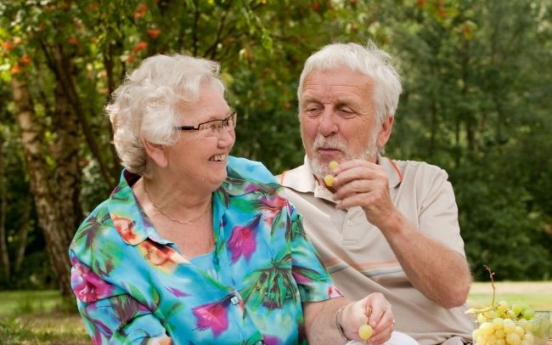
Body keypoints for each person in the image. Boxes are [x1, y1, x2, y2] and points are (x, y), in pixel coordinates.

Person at [68, 53, 405, 345]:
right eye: (211, 126)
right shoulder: (102, 248)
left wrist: (348, 317)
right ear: (156, 144)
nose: (227, 138)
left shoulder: (255, 190)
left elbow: (315, 307)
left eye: (228, 120)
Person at [277, 42, 475, 345]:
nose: (326, 125)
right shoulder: (275, 199)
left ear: (383, 128)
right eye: (313, 109)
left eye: (345, 110)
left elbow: (454, 291)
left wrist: (387, 216)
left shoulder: (426, 182)